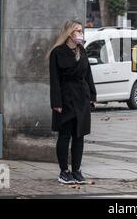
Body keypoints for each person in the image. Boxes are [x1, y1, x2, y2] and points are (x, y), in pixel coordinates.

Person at [49, 20, 97, 184]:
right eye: (77, 31)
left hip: (82, 97)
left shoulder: (81, 50)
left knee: (79, 136)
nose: (80, 34)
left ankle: (76, 170)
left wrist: (92, 96)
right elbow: (54, 80)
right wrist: (56, 102)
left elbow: (88, 75)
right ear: (69, 33)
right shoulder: (57, 53)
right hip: (65, 97)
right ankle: (64, 171)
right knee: (65, 135)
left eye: (81, 31)